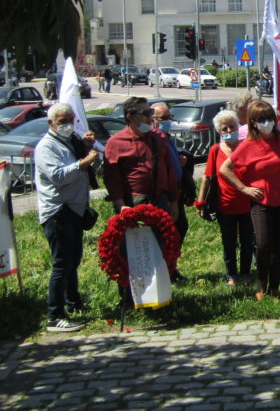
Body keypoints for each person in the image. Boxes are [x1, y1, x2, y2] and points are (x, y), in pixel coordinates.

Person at [219, 100, 280, 300]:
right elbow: (225, 169)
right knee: (263, 245)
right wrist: (244, 188)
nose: (267, 123)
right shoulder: (247, 145)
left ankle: (275, 286)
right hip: (261, 202)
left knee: (279, 246)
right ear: (253, 122)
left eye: (270, 118)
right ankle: (261, 284)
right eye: (262, 119)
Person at [35, 103, 100, 332]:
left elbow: (82, 162)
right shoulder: (46, 147)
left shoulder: (71, 140)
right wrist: (85, 162)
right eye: (62, 121)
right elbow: (58, 176)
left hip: (74, 210)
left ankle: (73, 302)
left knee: (73, 261)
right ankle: (55, 315)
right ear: (51, 123)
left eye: (71, 120)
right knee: (61, 264)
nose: (68, 125)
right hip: (57, 211)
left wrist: (86, 147)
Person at [197, 110, 253, 285]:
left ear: (238, 127)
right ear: (219, 131)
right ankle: (231, 275)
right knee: (228, 241)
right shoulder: (215, 150)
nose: (229, 130)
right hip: (224, 205)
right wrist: (200, 202)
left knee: (247, 241)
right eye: (224, 128)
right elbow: (207, 176)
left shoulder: (246, 147)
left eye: (232, 126)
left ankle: (245, 273)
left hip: (247, 204)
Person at [104, 96, 179, 217]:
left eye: (150, 112)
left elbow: (170, 171)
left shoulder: (159, 137)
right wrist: (121, 205)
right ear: (130, 116)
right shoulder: (116, 142)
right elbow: (112, 179)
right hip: (133, 204)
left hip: (160, 200)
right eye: (145, 114)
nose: (150, 118)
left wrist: (174, 202)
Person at [151, 102, 188, 283]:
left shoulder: (165, 136)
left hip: (176, 190)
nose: (169, 121)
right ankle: (168, 270)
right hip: (165, 194)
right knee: (171, 232)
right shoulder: (155, 139)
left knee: (180, 228)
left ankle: (172, 268)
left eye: (170, 117)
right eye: (164, 118)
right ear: (153, 120)